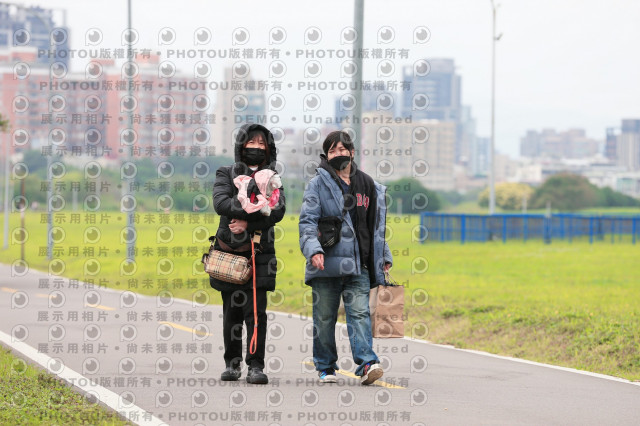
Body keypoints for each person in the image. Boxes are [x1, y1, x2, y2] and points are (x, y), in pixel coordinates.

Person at [299, 130, 393, 385]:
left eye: (342, 149)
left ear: (352, 152)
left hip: (359, 264)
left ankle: (367, 363)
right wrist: (314, 250)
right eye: (332, 150)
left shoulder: (368, 185)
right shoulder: (317, 184)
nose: (337, 154)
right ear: (326, 156)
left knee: (360, 313)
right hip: (326, 264)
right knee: (324, 318)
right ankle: (325, 366)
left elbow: (375, 227)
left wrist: (384, 255)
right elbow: (307, 222)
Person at [210, 123, 285, 385]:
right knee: (232, 312)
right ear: (241, 146)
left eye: (261, 144)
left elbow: (277, 211)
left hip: (260, 253)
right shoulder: (226, 172)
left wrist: (246, 222)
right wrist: (253, 208)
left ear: (269, 148)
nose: (256, 148)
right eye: (251, 143)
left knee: (256, 313)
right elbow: (221, 203)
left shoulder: (273, 177)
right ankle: (232, 364)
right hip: (230, 252)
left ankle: (256, 366)